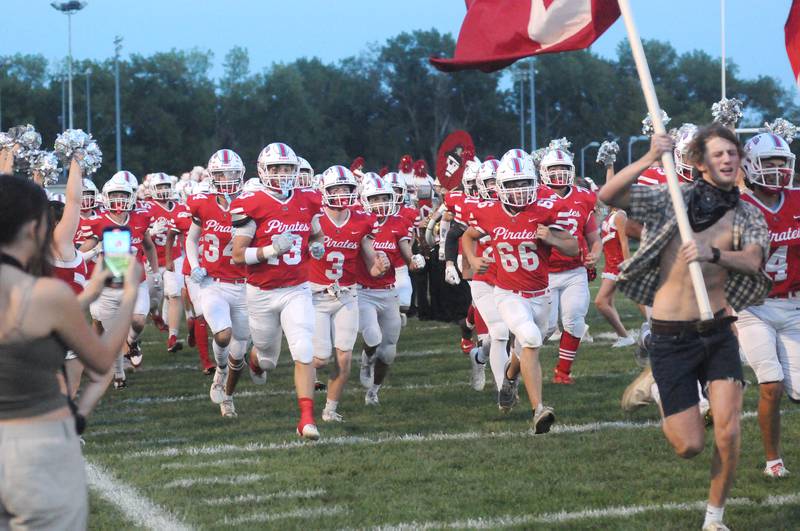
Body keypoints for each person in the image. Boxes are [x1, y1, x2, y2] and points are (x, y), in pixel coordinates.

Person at [599, 124, 771, 531]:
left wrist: (713, 253)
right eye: (719, 153)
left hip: (717, 329)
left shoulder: (747, 212)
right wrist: (647, 157)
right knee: (689, 445)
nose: (729, 159)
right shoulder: (669, 202)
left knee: (728, 433)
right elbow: (607, 197)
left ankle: (714, 519)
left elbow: (752, 261)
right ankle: (657, 385)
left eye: (733, 153)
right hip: (670, 335)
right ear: (698, 162)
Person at [0, 174, 140, 529]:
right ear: (33, 229)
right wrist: (128, 294)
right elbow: (103, 360)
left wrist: (90, 292)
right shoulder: (46, 297)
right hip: (36, 451)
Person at [463, 156, 579, 432]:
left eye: (525, 183)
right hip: (508, 294)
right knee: (530, 338)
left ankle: (510, 378)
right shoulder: (489, 211)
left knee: (526, 347)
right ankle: (538, 409)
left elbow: (574, 247)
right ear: (501, 186)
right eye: (513, 185)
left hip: (542, 294)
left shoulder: (546, 208)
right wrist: (472, 259)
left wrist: (550, 238)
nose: (519, 190)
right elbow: (468, 236)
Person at [231, 142, 324, 440]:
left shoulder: (308, 198)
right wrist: (270, 249)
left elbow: (315, 232)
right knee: (267, 358)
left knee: (304, 349)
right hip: (261, 291)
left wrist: (317, 245)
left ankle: (306, 419)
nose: (283, 174)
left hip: (297, 288)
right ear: (263, 170)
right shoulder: (250, 202)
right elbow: (237, 256)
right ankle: (256, 364)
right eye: (276, 168)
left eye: (287, 168)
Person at [737, 132, 800, 478]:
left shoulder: (798, 200)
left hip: (792, 306)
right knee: (770, 384)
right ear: (749, 166)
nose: (777, 170)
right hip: (753, 307)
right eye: (769, 162)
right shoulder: (740, 207)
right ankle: (773, 460)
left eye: (782, 162)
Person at [309, 166, 389, 421]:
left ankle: (330, 410)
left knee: (343, 358)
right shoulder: (315, 218)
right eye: (337, 189)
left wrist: (380, 264)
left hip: (347, 294)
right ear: (326, 191)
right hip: (316, 294)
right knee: (320, 360)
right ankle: (305, 382)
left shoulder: (361, 220)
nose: (343, 194)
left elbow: (372, 267)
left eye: (347, 189)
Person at [186, 150, 251, 417]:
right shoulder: (202, 203)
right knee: (223, 335)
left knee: (240, 353)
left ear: (242, 174)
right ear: (212, 176)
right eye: (222, 173)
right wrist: (195, 265)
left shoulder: (252, 203)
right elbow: (191, 239)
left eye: (233, 173)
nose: (228, 178)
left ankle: (228, 396)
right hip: (213, 282)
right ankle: (219, 368)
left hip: (245, 284)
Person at [79, 171, 159, 387]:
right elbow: (85, 246)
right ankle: (119, 375)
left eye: (124, 195)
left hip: (135, 281)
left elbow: (149, 245)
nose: (119, 200)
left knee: (138, 320)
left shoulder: (141, 217)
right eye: (115, 196)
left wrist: (156, 270)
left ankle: (131, 343)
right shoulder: (98, 221)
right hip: (109, 284)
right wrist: (80, 254)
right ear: (106, 197)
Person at [356, 175, 422, 406]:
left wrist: (414, 261)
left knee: (389, 352)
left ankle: (374, 390)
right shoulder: (358, 221)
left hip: (388, 291)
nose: (381, 202)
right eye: (375, 198)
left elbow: (406, 254)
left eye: (385, 197)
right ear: (365, 199)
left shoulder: (397, 222)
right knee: (372, 335)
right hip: (363, 290)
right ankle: (365, 361)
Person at [538, 147, 601, 384]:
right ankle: (515, 361)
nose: (559, 173)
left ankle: (562, 372)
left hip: (574, 270)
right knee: (545, 327)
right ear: (544, 171)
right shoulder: (535, 195)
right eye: (554, 168)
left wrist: (595, 253)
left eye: (564, 168)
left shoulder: (583, 197)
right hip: (544, 271)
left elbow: (593, 236)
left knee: (575, 319)